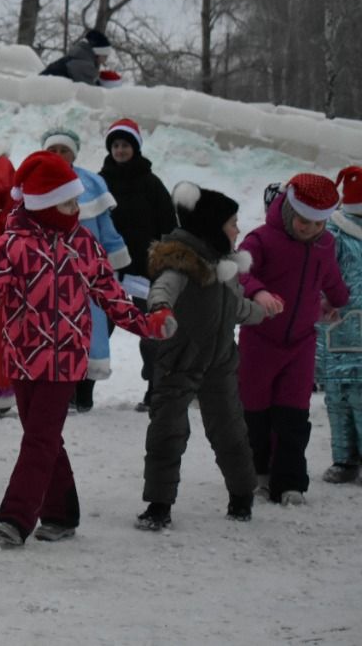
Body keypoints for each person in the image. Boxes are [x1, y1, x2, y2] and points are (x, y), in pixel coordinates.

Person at [0, 151, 175, 547]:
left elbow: (111, 295)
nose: (76, 209)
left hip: (66, 360)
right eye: (69, 202)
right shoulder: (10, 247)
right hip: (22, 358)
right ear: (44, 203)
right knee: (46, 439)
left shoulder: (83, 244)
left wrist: (148, 323)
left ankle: (16, 519)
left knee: (39, 438)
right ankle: (62, 513)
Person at [137, 182, 270, 531]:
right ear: (212, 227)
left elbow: (235, 307)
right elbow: (162, 290)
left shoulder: (224, 267)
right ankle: (159, 504)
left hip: (221, 362)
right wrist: (161, 310)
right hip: (179, 360)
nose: (238, 229)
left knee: (230, 430)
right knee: (168, 430)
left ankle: (242, 495)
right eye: (232, 223)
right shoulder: (181, 265)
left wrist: (262, 312)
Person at [239, 173, 349, 505]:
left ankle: (290, 482)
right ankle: (257, 472)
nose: (311, 230)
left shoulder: (324, 243)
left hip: (301, 343)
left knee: (293, 416)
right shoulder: (261, 239)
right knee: (255, 412)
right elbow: (240, 271)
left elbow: (329, 276)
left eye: (319, 224)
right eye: (304, 222)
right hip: (260, 340)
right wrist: (257, 293)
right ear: (288, 210)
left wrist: (336, 301)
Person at [42, 127, 130, 412]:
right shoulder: (36, 181)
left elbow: (107, 227)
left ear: (74, 153)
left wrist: (116, 263)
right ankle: (63, 388)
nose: (57, 155)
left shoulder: (92, 183)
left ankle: (85, 387)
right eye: (52, 150)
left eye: (63, 150)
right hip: (49, 271)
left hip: (88, 271)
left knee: (91, 330)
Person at [100, 118, 178, 410]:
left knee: (151, 329)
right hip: (106, 270)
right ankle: (81, 389)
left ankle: (156, 388)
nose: (120, 150)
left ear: (135, 148)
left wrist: (164, 261)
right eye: (116, 145)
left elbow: (168, 226)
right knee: (97, 328)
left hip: (147, 270)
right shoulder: (100, 181)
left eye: (125, 145)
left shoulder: (151, 183)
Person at [317, 167, 362, 483]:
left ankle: (346, 460)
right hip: (336, 323)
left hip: (336, 323)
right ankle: (343, 458)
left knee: (349, 394)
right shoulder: (332, 234)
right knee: (338, 393)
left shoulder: (329, 233)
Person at [40, 29, 113, 86]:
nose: (105, 61)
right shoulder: (85, 64)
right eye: (105, 56)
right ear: (98, 54)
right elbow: (89, 91)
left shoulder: (78, 57)